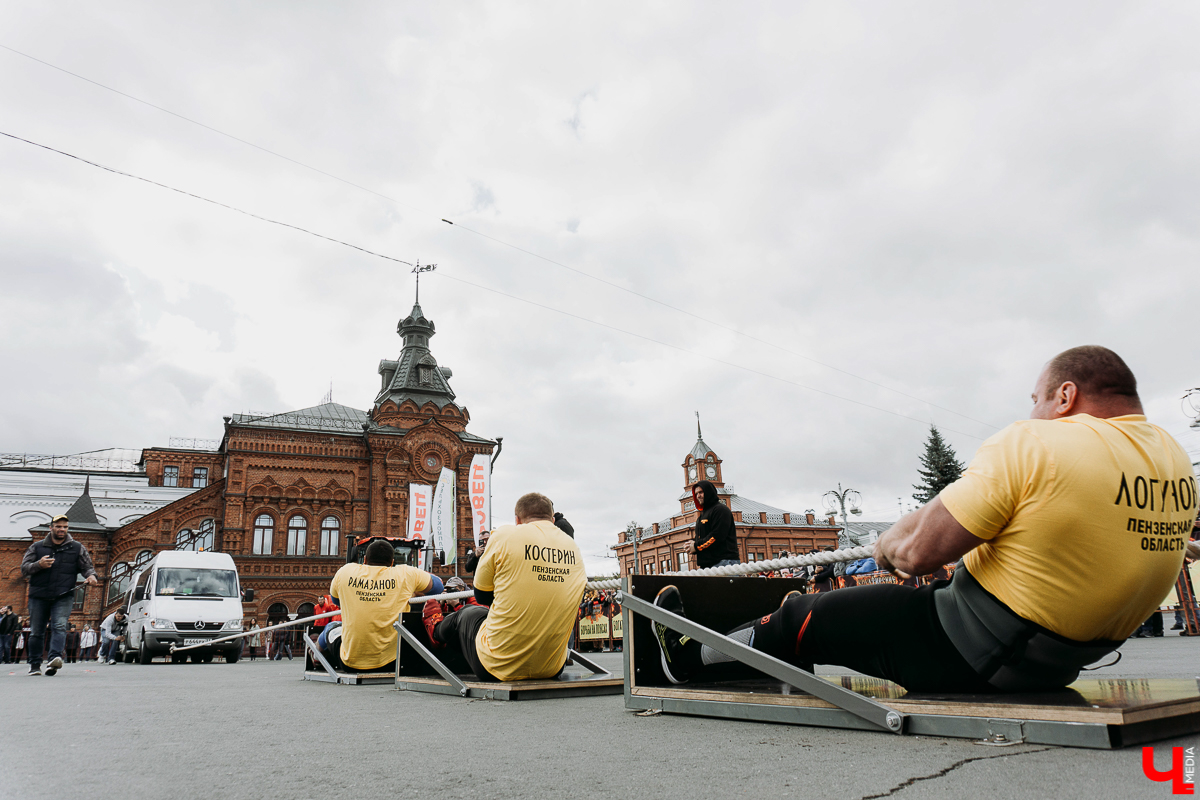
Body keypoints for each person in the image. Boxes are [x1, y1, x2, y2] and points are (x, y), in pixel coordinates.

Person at [654, 346, 1196, 693]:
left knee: (801, 615)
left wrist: (890, 542)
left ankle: (689, 658)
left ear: (1065, 395)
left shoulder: (1039, 441)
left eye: (1036, 398)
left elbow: (916, 552)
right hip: (1060, 662)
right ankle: (746, 660)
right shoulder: (1172, 460)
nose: (1031, 410)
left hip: (969, 645)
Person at [422, 492, 585, 681]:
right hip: (553, 668)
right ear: (551, 517)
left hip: (496, 666)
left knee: (469, 613)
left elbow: (482, 597)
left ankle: (436, 632)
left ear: (517, 519)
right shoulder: (573, 547)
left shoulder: (504, 534)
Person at [318, 539, 443, 672]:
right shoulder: (406, 574)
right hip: (394, 663)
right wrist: (411, 591)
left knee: (331, 627)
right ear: (392, 562)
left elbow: (337, 601)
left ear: (365, 560)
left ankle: (316, 656)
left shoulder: (345, 571)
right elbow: (438, 587)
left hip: (351, 664)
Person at [20, 514, 100, 676]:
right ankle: (35, 665)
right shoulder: (37, 547)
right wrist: (39, 565)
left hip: (63, 595)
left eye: (64, 527)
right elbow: (24, 568)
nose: (62, 529)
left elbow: (87, 567)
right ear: (51, 528)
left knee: (59, 626)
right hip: (39, 595)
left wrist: (91, 576)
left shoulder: (77, 548)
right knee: (36, 631)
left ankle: (54, 659)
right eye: (58, 526)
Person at [689, 481, 738, 569]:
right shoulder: (701, 516)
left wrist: (696, 546)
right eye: (696, 494)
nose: (698, 496)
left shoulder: (720, 510)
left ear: (709, 492)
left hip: (723, 563)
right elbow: (703, 537)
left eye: (701, 492)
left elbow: (717, 536)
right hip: (708, 565)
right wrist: (691, 545)